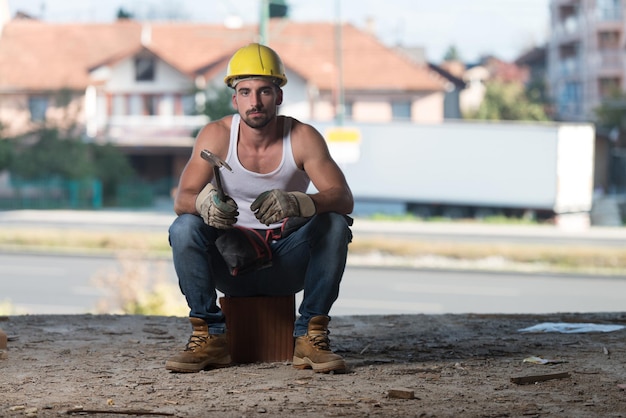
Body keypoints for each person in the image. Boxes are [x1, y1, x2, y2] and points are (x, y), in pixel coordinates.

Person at [166, 43, 354, 374]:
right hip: (231, 262)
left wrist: (303, 201)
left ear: (278, 95)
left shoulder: (302, 137)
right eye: (245, 91)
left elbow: (343, 197)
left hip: (287, 261)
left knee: (335, 223)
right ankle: (209, 335)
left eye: (264, 91)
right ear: (234, 97)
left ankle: (311, 336)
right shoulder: (217, 135)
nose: (255, 102)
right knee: (183, 228)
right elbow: (182, 200)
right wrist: (203, 202)